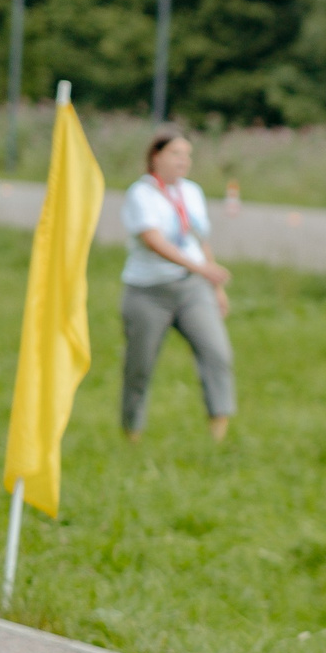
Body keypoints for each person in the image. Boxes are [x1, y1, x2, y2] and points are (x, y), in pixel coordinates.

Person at [120, 131, 236, 440]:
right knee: (139, 366)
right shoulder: (141, 194)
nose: (183, 160)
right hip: (149, 291)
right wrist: (201, 268)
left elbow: (199, 239)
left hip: (192, 289)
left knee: (217, 354)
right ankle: (132, 433)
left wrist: (215, 286)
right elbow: (153, 240)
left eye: (187, 154)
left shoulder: (192, 192)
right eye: (175, 153)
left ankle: (219, 434)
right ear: (156, 156)